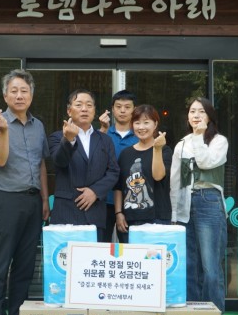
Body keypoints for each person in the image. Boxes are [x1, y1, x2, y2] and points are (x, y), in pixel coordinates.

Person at [0, 69, 49, 315]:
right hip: (6, 199)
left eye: (24, 90)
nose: (19, 95)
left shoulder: (38, 126)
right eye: (14, 91)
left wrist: (45, 199)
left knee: (25, 263)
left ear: (31, 95)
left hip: (33, 200)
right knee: (1, 262)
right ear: (5, 95)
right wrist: (3, 131)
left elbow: (41, 163)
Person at [169, 97, 228, 315]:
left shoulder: (219, 141)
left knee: (210, 266)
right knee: (189, 265)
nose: (196, 115)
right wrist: (174, 214)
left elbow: (205, 162)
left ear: (210, 116)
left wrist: (198, 136)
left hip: (209, 199)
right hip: (186, 202)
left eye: (201, 111)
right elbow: (175, 181)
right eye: (192, 111)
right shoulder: (181, 144)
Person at [48, 89, 119, 241]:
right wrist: (68, 140)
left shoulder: (105, 140)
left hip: (95, 213)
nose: (84, 109)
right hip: (66, 214)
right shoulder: (57, 137)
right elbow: (59, 161)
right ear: (69, 111)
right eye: (79, 105)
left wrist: (95, 191)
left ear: (94, 111)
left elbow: (113, 171)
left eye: (89, 105)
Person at [114, 104, 172, 243]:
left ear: (155, 124)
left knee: (154, 256)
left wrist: (157, 149)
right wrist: (118, 213)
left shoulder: (165, 150)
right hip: (129, 219)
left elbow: (158, 176)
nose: (141, 127)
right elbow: (118, 187)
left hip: (157, 218)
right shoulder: (125, 153)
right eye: (137, 123)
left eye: (146, 122)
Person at [98, 90, 139, 242]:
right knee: (101, 246)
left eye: (127, 107)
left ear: (134, 109)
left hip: (132, 202)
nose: (122, 110)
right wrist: (103, 130)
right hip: (103, 200)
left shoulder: (140, 136)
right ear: (112, 109)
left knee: (130, 247)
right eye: (118, 106)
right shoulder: (102, 134)